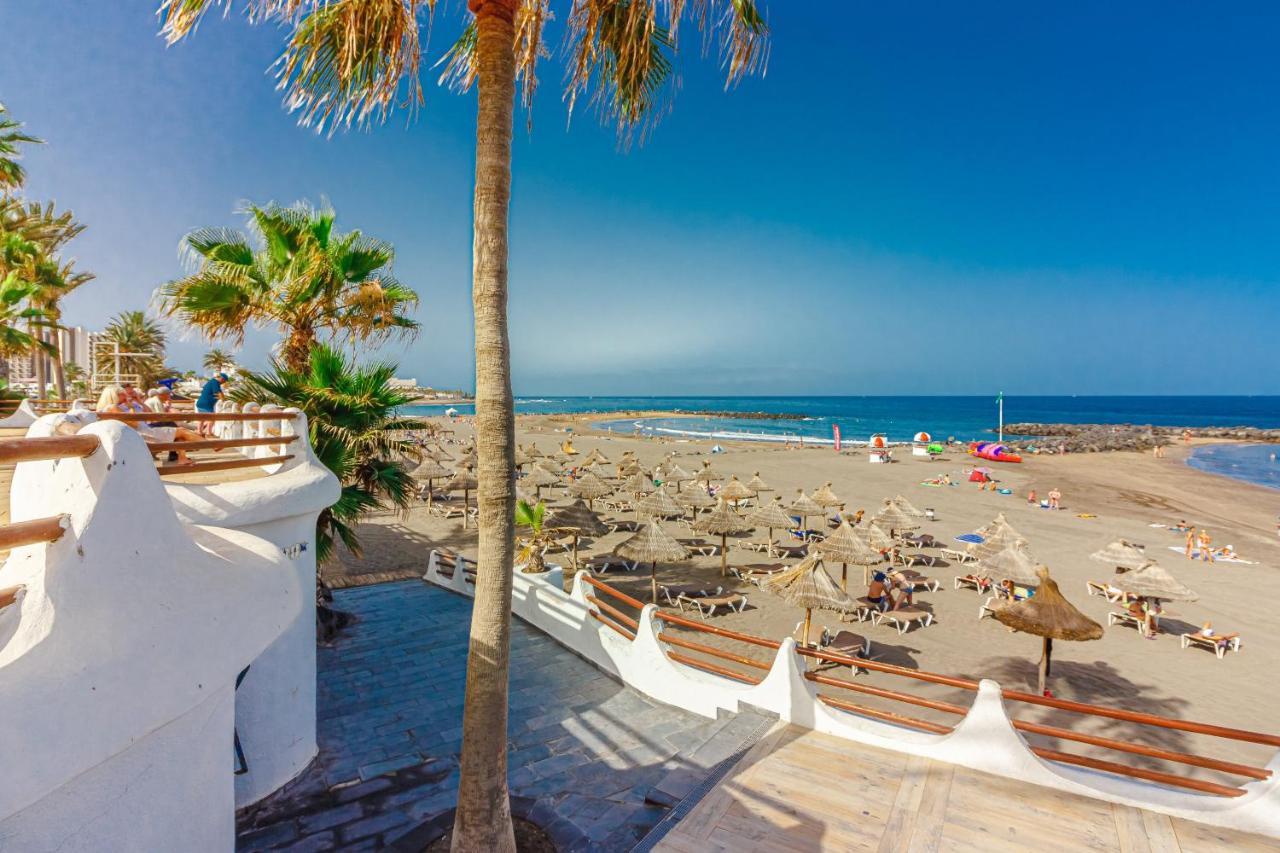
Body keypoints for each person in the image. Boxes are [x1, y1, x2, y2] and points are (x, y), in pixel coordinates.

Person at [96, 386, 201, 465]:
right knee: (181, 431)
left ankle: (183, 457)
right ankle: (212, 444)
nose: (125, 395)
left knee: (179, 431)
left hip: (138, 432)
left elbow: (148, 414)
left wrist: (137, 402)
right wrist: (131, 407)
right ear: (114, 395)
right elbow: (135, 423)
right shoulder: (114, 407)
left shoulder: (108, 408)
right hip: (141, 434)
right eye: (122, 393)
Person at [195, 372, 229, 437]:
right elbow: (218, 393)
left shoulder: (211, 381)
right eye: (224, 381)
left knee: (201, 419)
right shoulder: (215, 382)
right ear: (221, 378)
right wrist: (224, 401)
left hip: (200, 402)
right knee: (212, 418)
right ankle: (208, 433)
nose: (223, 382)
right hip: (206, 404)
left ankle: (199, 432)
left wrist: (223, 398)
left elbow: (219, 392)